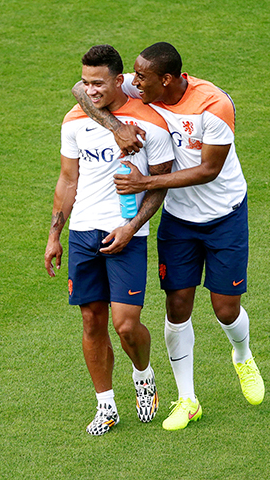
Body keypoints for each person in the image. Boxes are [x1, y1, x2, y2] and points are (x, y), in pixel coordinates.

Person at [71, 42, 265, 431]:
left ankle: (242, 355)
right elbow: (80, 89)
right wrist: (116, 125)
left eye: (141, 77)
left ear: (167, 79)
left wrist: (145, 181)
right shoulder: (141, 87)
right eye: (133, 76)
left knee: (226, 309)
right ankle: (187, 399)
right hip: (178, 219)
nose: (132, 83)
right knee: (177, 307)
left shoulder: (213, 105)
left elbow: (209, 169)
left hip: (223, 215)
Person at [45, 44, 174, 435]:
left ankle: (143, 375)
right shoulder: (73, 122)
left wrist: (131, 227)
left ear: (121, 81)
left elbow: (160, 184)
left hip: (126, 233)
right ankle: (106, 406)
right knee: (90, 321)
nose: (91, 89)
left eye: (99, 82)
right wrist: (54, 235)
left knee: (126, 324)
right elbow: (68, 180)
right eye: (87, 83)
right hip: (84, 231)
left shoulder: (149, 122)